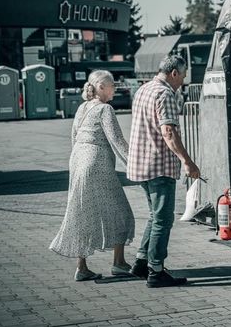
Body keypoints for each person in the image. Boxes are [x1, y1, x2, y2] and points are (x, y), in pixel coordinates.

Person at [49, 70, 135, 281]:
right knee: (120, 210)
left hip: (78, 159)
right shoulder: (105, 109)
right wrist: (134, 165)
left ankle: (82, 267)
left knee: (82, 212)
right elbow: (117, 140)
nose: (115, 87)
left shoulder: (82, 107)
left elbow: (74, 136)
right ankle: (119, 263)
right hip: (97, 162)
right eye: (112, 84)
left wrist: (80, 159)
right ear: (102, 87)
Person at [127, 54, 200, 288]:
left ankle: (140, 261)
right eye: (184, 75)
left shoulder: (144, 89)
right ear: (174, 73)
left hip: (141, 164)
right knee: (163, 220)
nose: (184, 80)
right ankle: (156, 271)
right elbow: (168, 132)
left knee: (154, 216)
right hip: (159, 165)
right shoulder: (165, 93)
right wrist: (187, 161)